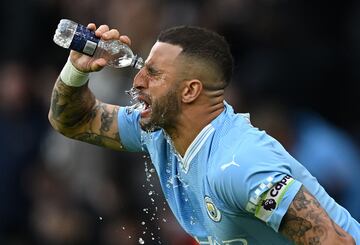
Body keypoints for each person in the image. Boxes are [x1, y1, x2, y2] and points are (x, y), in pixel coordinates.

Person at [48, 23, 359, 244]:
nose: (138, 80)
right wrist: (76, 69)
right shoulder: (158, 131)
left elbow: (335, 242)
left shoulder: (240, 164)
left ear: (190, 91)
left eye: (153, 73)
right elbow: (75, 120)